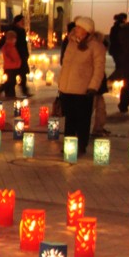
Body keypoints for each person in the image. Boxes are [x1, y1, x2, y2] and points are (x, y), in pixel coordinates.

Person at [57, 17, 106, 154]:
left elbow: (99, 68)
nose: (76, 29)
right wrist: (61, 83)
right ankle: (69, 145)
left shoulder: (96, 46)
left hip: (84, 89)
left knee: (82, 119)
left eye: (79, 27)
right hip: (67, 88)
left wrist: (93, 86)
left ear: (87, 30)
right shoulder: (71, 43)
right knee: (70, 119)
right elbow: (65, 65)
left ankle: (81, 145)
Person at [8, 15, 32, 97]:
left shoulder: (15, 29)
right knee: (16, 74)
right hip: (18, 55)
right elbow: (22, 44)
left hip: (18, 55)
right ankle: (10, 90)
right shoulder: (18, 31)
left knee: (18, 74)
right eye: (22, 21)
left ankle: (20, 90)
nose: (23, 22)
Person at [0, 30, 21, 99]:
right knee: (11, 81)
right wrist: (12, 60)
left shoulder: (12, 46)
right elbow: (7, 56)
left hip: (14, 66)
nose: (15, 40)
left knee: (12, 81)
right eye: (14, 39)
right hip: (10, 67)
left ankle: (9, 93)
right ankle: (5, 90)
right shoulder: (7, 47)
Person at [107, 13, 126, 82]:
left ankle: (116, 79)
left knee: (119, 66)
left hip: (114, 50)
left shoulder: (114, 28)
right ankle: (111, 79)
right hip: (119, 50)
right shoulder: (121, 28)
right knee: (121, 66)